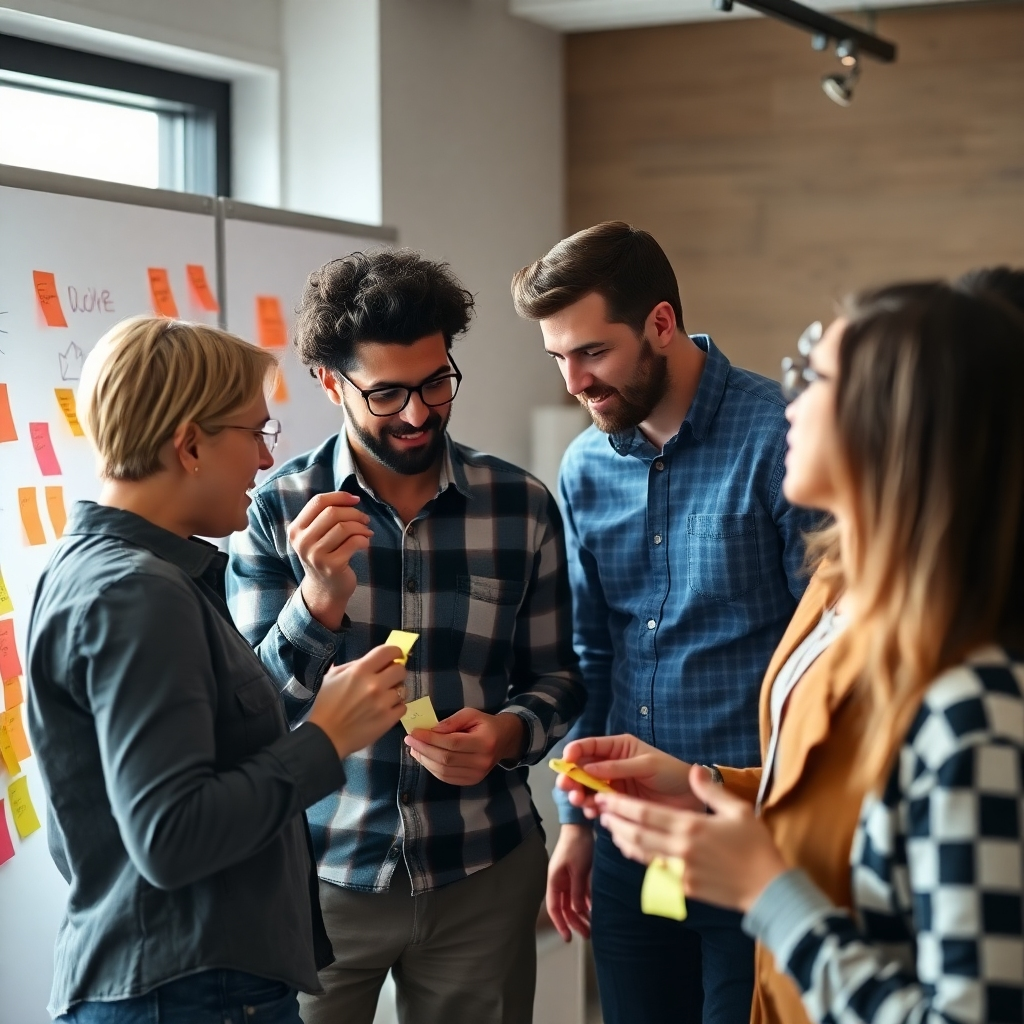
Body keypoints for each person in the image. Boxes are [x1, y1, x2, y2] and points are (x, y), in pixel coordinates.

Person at [567, 282, 1024, 1024]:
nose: (792, 398)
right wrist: (702, 781)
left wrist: (766, 892)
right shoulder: (837, 589)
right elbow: (839, 792)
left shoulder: (976, 712)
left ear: (898, 426)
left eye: (815, 375)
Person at [227, 249, 585, 1024]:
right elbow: (251, 714)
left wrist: (508, 732)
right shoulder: (273, 511)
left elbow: (561, 676)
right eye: (387, 393)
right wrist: (319, 601)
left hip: (481, 869)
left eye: (435, 383)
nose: (419, 413)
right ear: (329, 382)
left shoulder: (520, 506)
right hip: (318, 877)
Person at [27, 317, 408, 1024]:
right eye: (256, 434)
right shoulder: (136, 593)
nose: (267, 463)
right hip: (192, 995)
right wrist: (325, 737)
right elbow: (171, 837)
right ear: (190, 442)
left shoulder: (107, 572)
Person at [511, 221, 822, 1024]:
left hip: (750, 834)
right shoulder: (583, 465)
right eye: (559, 359)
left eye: (593, 352)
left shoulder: (785, 438)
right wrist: (576, 823)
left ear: (659, 323)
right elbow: (594, 653)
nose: (575, 381)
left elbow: (825, 653)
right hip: (626, 840)